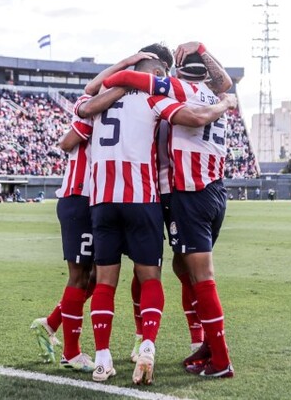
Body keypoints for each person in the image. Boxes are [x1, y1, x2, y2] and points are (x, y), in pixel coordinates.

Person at [77, 43, 236, 385]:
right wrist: (224, 99)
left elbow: (95, 94)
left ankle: (217, 356)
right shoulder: (212, 91)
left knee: (196, 274)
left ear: (175, 72)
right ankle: (200, 344)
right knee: (180, 270)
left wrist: (134, 68)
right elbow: (225, 87)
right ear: (206, 70)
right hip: (208, 189)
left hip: (179, 193)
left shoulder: (171, 90)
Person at [30, 51, 159, 374]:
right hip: (83, 196)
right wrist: (128, 76)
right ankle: (71, 351)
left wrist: (124, 75)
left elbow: (90, 92)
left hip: (100, 198)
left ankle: (50, 324)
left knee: (95, 279)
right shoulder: (99, 109)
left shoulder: (100, 103)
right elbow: (67, 139)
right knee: (85, 277)